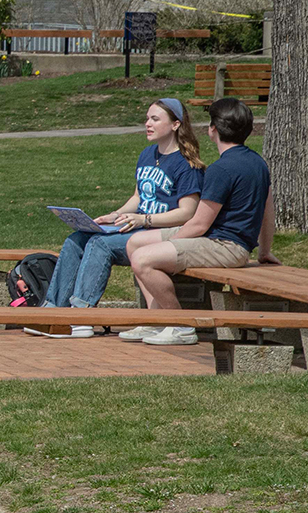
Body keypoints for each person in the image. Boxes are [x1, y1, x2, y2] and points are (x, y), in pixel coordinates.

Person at [26, 99, 203, 339]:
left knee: (100, 245)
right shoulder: (148, 154)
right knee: (77, 239)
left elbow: (187, 213)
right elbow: (138, 196)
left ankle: (82, 316)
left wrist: (144, 220)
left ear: (175, 125)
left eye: (155, 119)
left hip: (161, 234)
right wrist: (115, 215)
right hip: (137, 227)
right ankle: (53, 311)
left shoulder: (186, 164)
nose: (147, 124)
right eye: (147, 118)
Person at [124, 97, 276, 347]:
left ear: (213, 129)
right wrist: (265, 251)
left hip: (224, 246)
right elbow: (268, 211)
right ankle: (154, 319)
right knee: (136, 242)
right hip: (226, 243)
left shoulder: (221, 169)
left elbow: (199, 225)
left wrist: (170, 244)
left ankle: (180, 324)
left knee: (143, 259)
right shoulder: (258, 163)